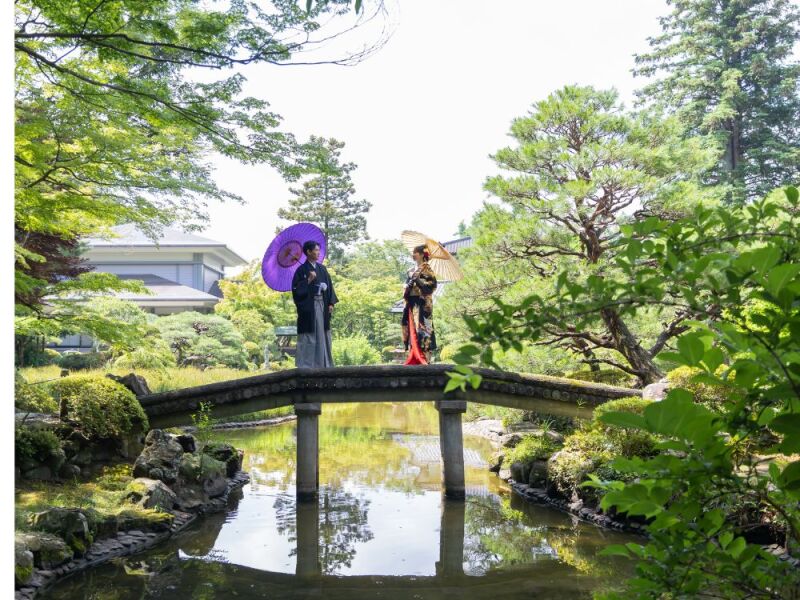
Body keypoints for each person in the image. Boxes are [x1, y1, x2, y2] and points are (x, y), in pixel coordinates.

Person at [291, 240, 338, 368]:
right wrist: (308, 280)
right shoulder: (301, 270)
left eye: (318, 250)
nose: (318, 252)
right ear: (308, 252)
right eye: (316, 250)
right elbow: (296, 291)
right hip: (309, 308)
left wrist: (331, 303)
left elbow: (330, 287)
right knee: (309, 335)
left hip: (323, 306)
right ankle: (307, 366)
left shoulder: (322, 269)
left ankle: (324, 364)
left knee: (323, 333)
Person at [402, 244, 437, 365]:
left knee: (423, 328)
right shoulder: (411, 270)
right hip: (412, 303)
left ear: (422, 255)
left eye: (415, 253)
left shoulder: (427, 269)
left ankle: (425, 356)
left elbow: (431, 286)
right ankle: (413, 355)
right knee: (412, 328)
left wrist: (416, 279)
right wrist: (407, 285)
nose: (413, 255)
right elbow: (407, 286)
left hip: (422, 303)